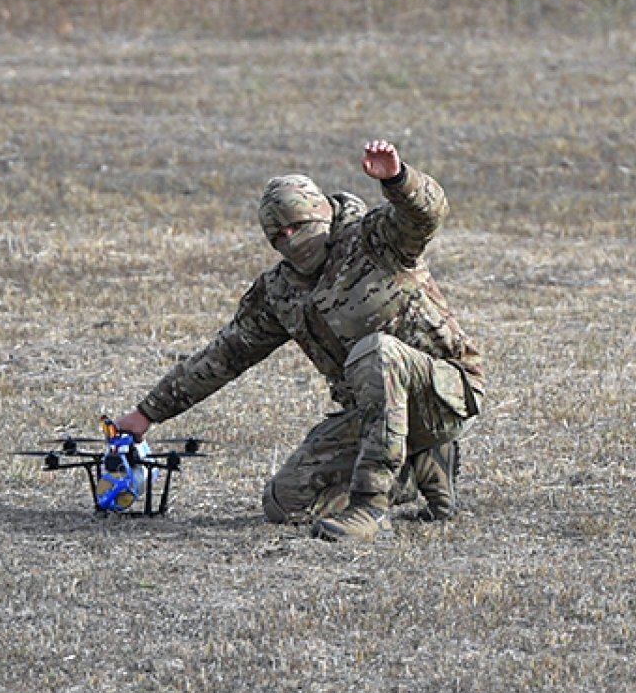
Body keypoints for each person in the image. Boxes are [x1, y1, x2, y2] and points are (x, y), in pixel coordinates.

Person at [114, 140, 485, 541]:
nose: (290, 238)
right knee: (285, 503)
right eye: (279, 234)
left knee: (375, 352)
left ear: (322, 212)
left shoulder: (376, 240)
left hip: (443, 393)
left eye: (297, 224)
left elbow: (427, 213)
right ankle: (422, 465)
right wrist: (148, 413)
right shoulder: (281, 291)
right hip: (374, 413)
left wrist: (397, 179)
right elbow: (224, 356)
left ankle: (371, 508)